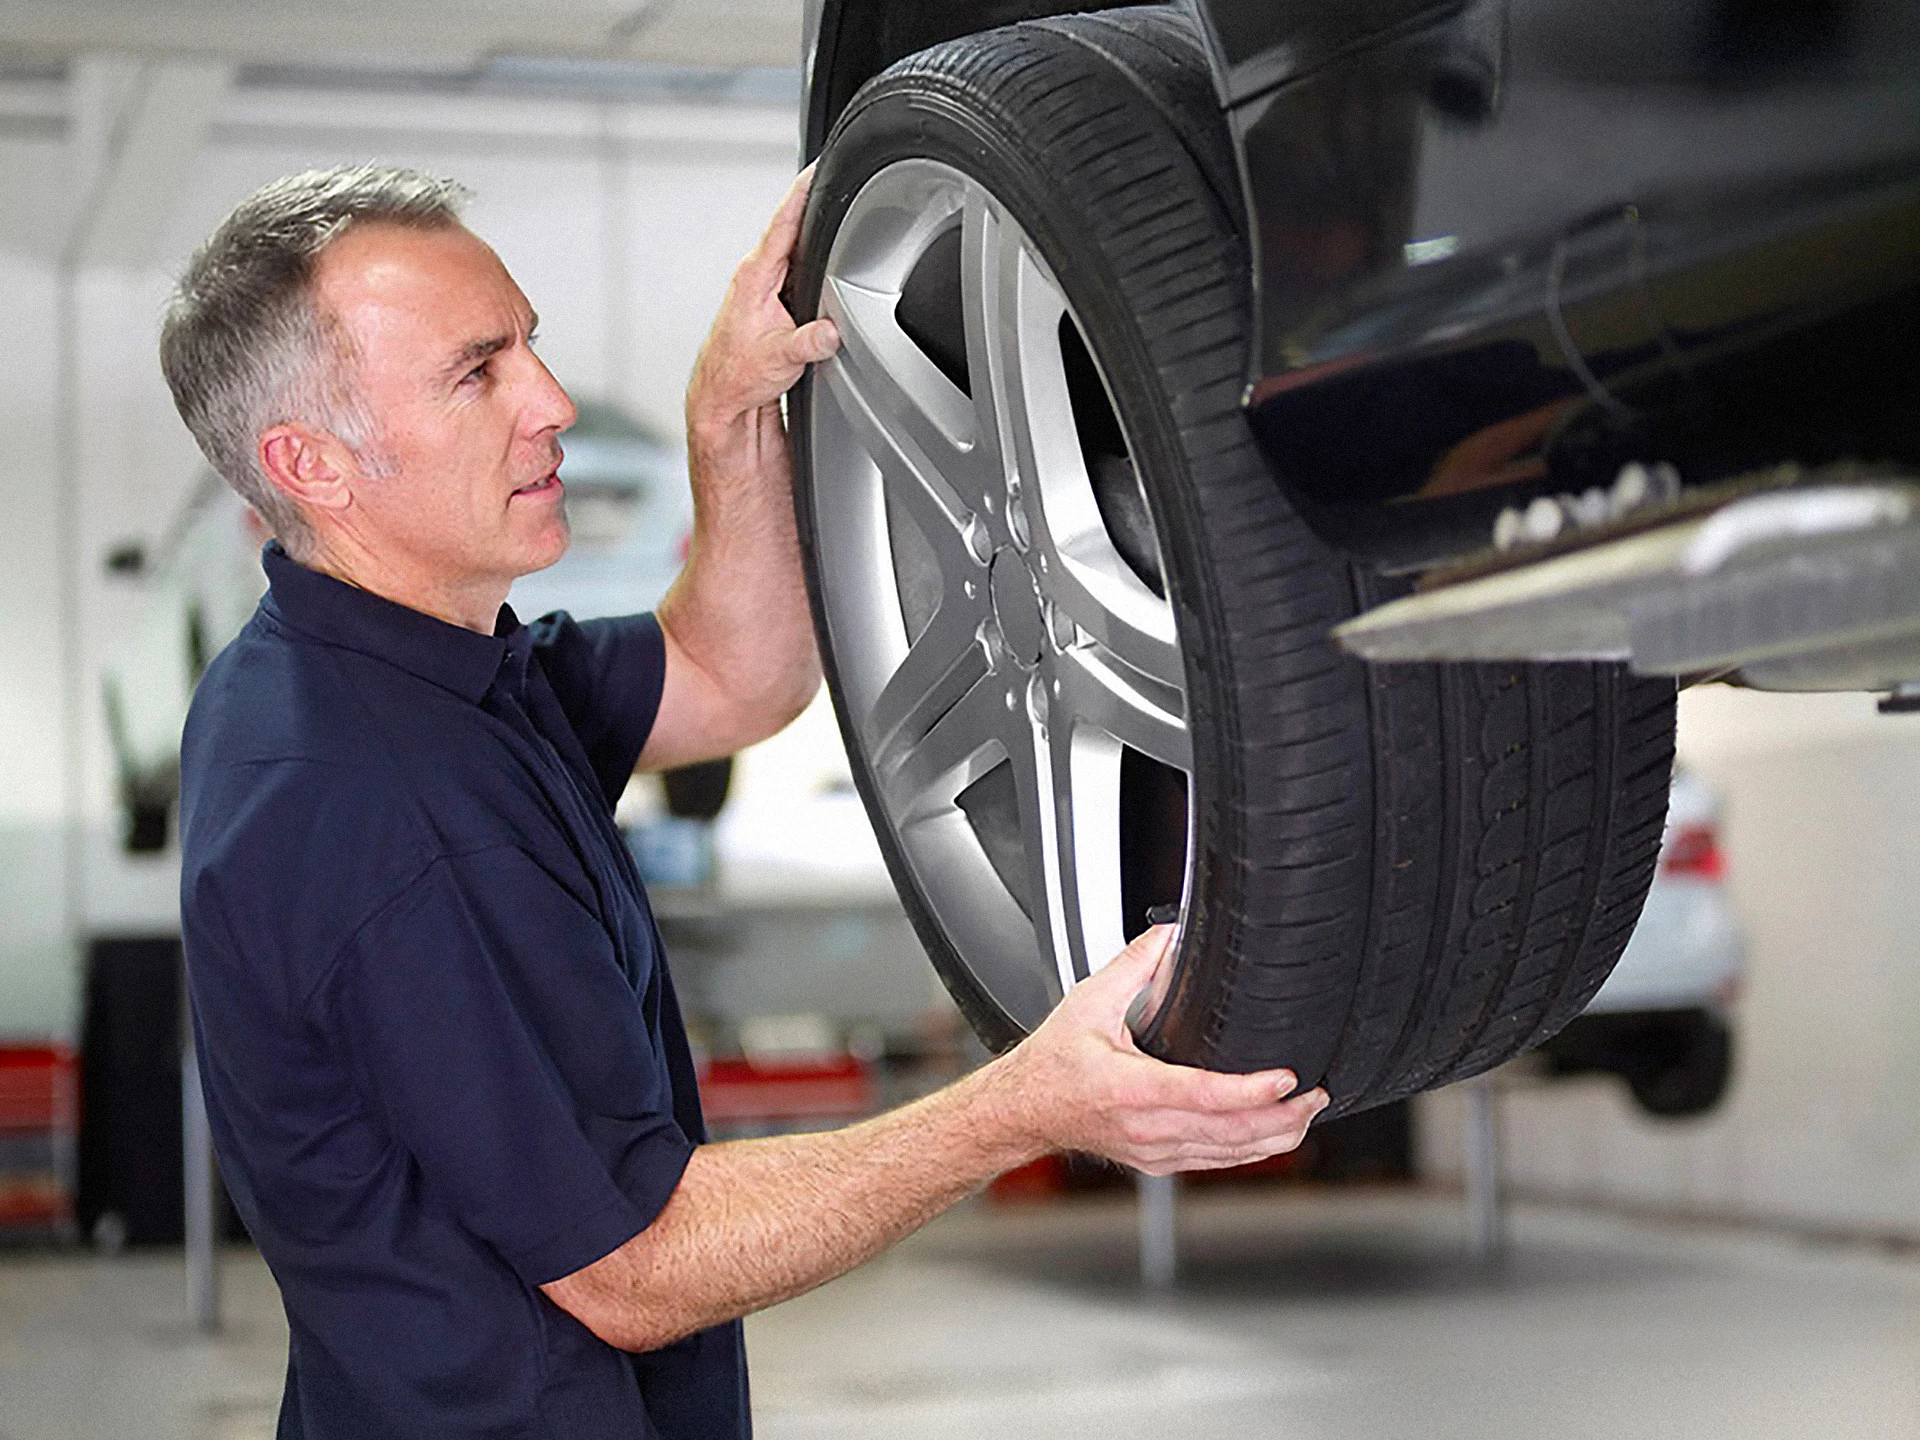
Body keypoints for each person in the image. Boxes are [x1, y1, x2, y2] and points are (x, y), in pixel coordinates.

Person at [162, 162, 1328, 1440]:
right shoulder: (369, 803)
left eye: (529, 345)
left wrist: (727, 418)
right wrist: (1023, 1107)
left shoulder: (412, 667)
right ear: (310, 465)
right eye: (476, 372)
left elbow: (732, 674)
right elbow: (635, 1266)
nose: (548, 402)